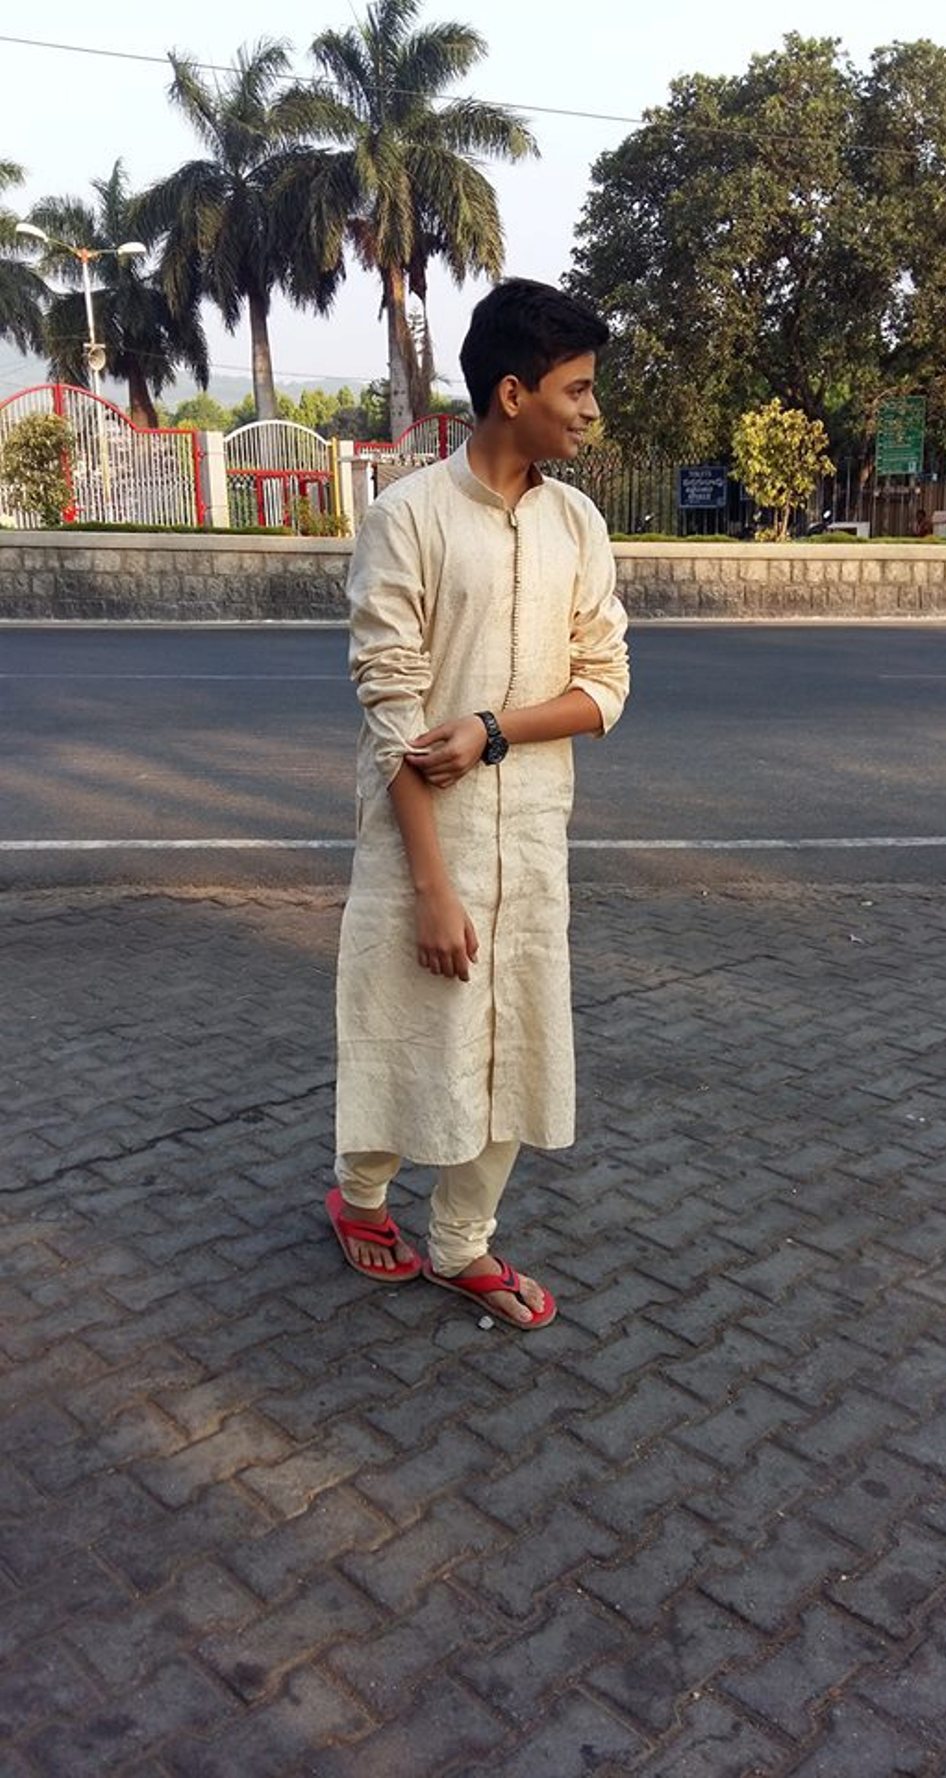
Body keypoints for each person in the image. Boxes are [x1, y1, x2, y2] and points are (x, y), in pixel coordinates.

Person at [328, 279, 630, 1330]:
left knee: (511, 1042)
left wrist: (495, 728)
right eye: (577, 389)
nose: (591, 410)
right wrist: (431, 889)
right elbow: (392, 713)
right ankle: (360, 1196)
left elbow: (606, 686)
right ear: (513, 392)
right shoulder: (406, 518)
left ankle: (462, 1242)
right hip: (425, 843)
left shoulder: (577, 524)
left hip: (531, 840)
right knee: (405, 1031)